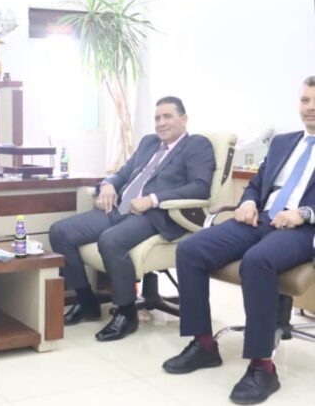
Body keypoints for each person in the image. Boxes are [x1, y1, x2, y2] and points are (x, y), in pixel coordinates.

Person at [162, 76, 315, 405]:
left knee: (257, 261)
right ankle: (204, 345)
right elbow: (257, 184)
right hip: (261, 218)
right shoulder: (283, 142)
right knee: (190, 249)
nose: (310, 107)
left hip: (303, 229)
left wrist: (304, 213)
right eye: (305, 100)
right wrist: (247, 202)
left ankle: (263, 366)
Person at [49, 96, 215, 341]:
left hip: (155, 215)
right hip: (119, 209)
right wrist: (107, 185)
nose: (161, 123)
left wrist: (153, 199)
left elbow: (200, 187)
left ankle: (127, 313)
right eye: (157, 118)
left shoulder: (196, 145)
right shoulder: (149, 142)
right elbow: (123, 173)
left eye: (167, 116)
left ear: (184, 119)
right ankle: (86, 302)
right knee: (60, 232)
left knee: (110, 240)